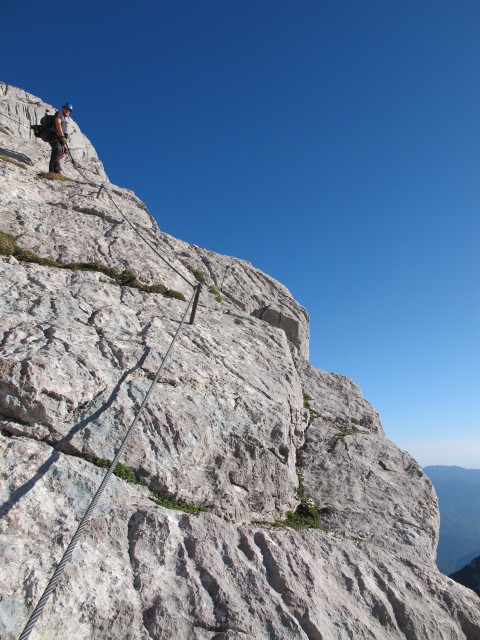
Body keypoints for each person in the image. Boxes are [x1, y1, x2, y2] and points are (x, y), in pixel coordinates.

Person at [47, 103, 73, 174]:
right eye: (67, 109)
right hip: (53, 135)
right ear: (63, 108)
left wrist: (64, 145)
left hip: (58, 137)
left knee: (58, 152)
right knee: (57, 150)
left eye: (70, 110)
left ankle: (53, 171)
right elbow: (57, 123)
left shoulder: (64, 120)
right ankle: (55, 171)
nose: (68, 111)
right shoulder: (59, 114)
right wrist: (62, 136)